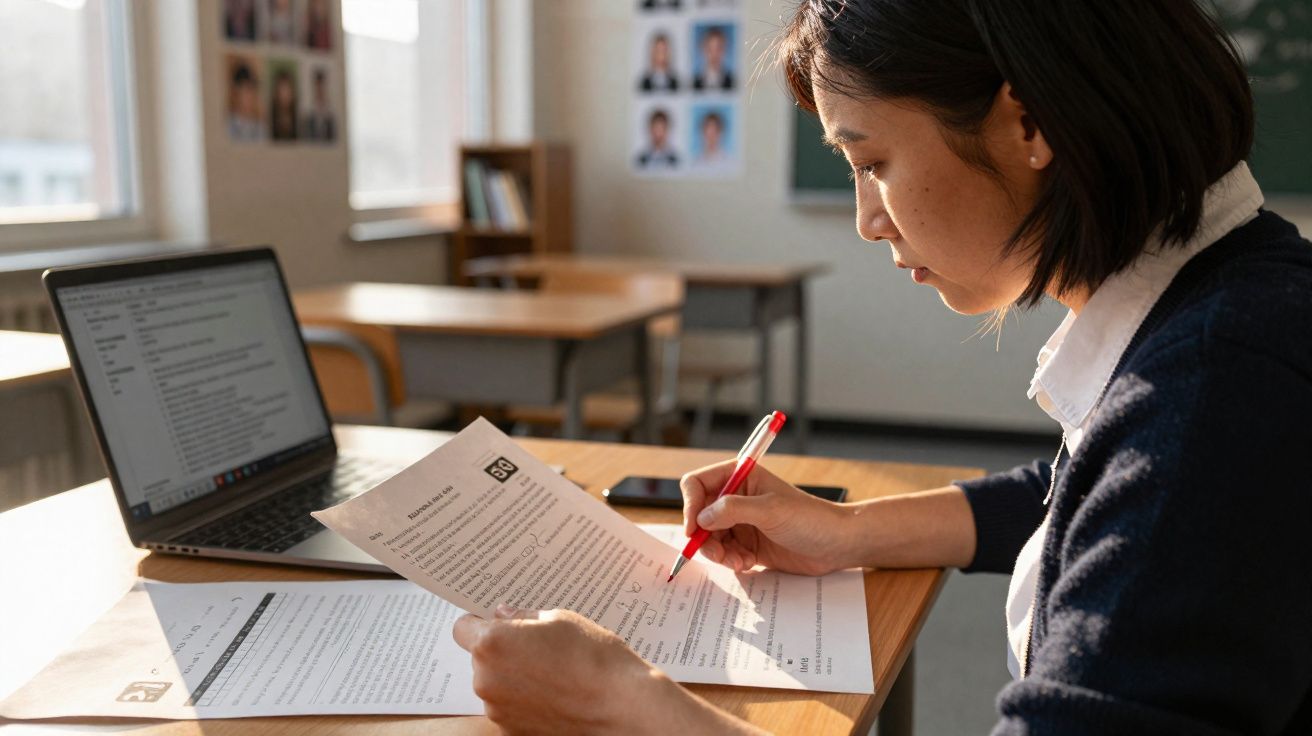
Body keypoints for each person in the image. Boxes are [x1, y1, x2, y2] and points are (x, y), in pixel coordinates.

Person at [452, 1, 1312, 733]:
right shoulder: (1233, 301)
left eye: (874, 163)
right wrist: (849, 533)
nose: (868, 218)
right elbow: (1085, 494)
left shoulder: (1214, 393)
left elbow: (1157, 493)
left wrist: (625, 704)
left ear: (1029, 124)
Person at [226, 59, 263, 142]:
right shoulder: (227, 127)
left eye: (252, 89)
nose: (250, 96)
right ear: (235, 92)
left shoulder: (261, 128)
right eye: (246, 90)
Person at [692, 26, 734, 91]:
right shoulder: (694, 82)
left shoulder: (733, 82)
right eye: (710, 49)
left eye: (718, 48)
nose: (714, 54)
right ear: (703, 49)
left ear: (724, 50)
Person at [302, 68, 335, 141]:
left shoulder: (331, 117)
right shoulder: (308, 117)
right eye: (317, 87)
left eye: (322, 87)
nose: (320, 91)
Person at [269, 67, 298, 141]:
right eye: (281, 90)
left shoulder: (298, 120)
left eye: (287, 89)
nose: (284, 95)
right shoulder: (270, 119)